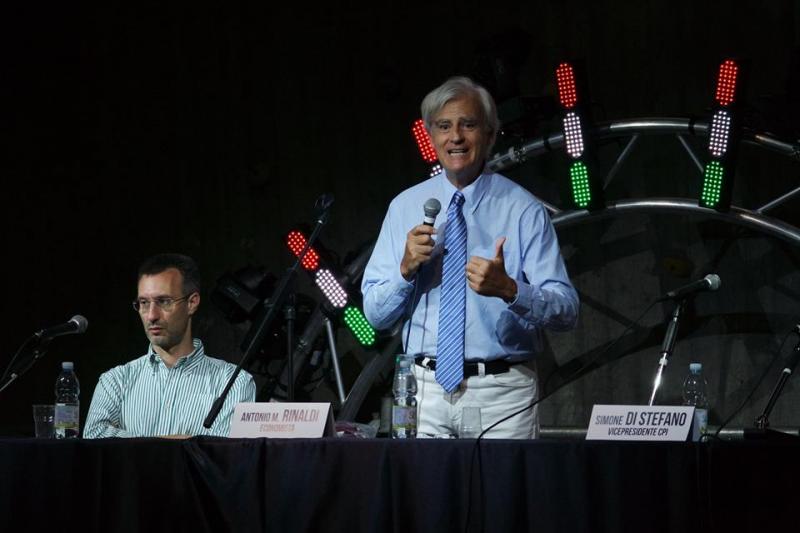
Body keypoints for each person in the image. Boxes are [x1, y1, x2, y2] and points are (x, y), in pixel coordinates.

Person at [362, 76, 579, 438]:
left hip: (502, 394)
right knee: (425, 495)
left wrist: (511, 290)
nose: (456, 137)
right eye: (444, 126)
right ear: (431, 137)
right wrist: (405, 271)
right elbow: (376, 315)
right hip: (421, 391)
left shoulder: (524, 210)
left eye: (469, 124)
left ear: (491, 135)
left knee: (502, 495)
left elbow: (567, 311)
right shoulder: (404, 208)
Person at [84, 253, 255, 438]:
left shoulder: (234, 383)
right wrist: (172, 443)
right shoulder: (115, 381)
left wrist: (134, 445)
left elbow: (224, 455)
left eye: (164, 302)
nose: (151, 315)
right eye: (143, 303)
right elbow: (94, 437)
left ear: (192, 303)